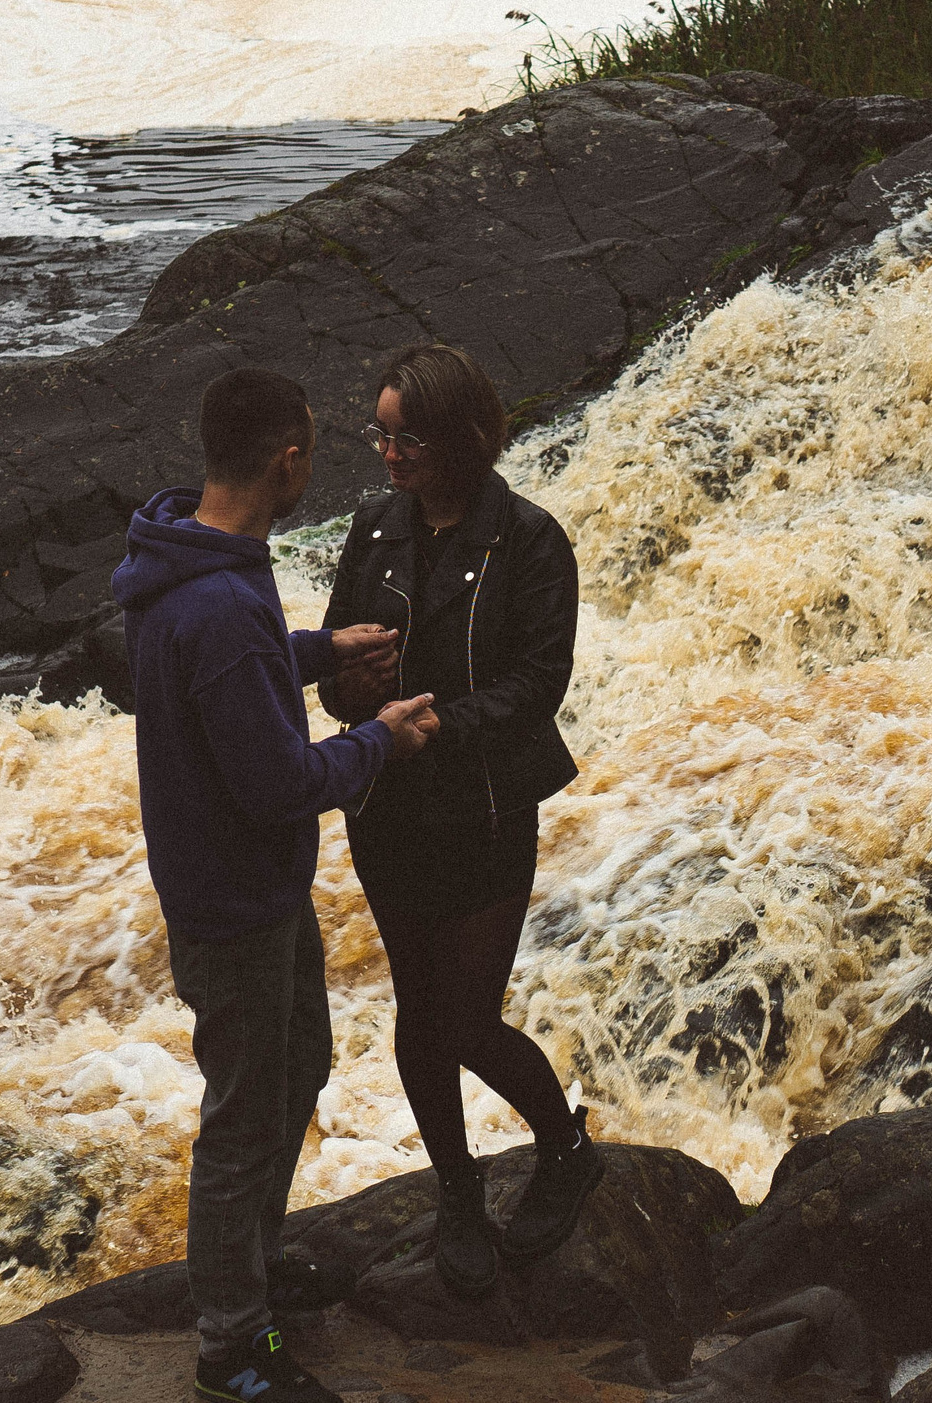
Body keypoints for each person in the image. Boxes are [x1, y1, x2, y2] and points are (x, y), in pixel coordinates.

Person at [112, 365, 437, 1403]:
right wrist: (378, 740)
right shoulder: (213, 602)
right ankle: (230, 1348)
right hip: (236, 894)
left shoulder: (194, 553)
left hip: (239, 885)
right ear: (285, 459)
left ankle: (242, 1276)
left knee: (298, 1065)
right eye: (311, 452)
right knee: (247, 1115)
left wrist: (312, 650)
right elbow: (278, 785)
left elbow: (232, 674)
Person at [317, 343, 602, 1301]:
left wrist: (438, 723)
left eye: (408, 438)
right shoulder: (373, 526)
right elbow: (336, 656)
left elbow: (540, 680)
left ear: (463, 436)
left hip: (482, 807)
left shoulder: (529, 539)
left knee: (465, 1016)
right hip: (388, 807)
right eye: (381, 434)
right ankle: (459, 1189)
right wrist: (346, 684)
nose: (389, 455)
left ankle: (565, 1147)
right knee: (417, 1013)